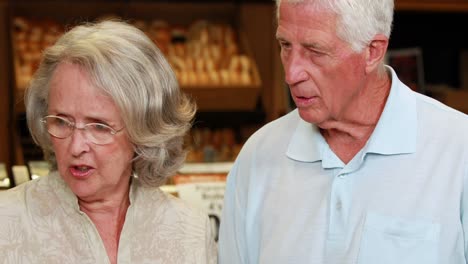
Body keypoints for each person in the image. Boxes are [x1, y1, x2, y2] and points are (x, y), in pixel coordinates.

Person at [218, 0, 468, 263]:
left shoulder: (458, 149)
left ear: (373, 52)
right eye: (285, 46)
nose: (291, 74)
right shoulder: (259, 155)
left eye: (315, 51)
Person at [0, 20, 216, 264]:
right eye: (62, 121)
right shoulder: (7, 221)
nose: (76, 146)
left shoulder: (188, 231)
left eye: (99, 127)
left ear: (143, 131)